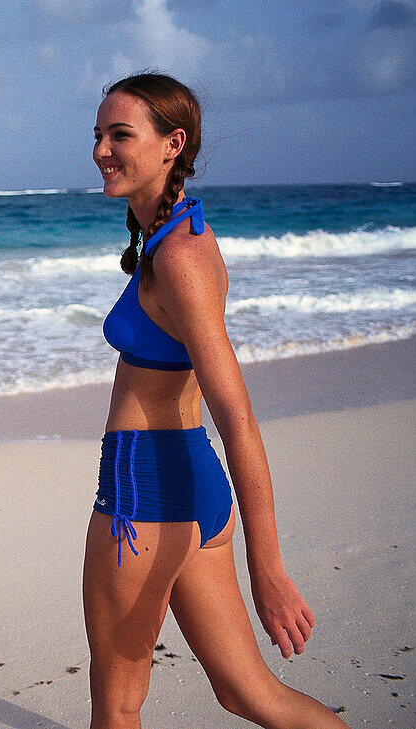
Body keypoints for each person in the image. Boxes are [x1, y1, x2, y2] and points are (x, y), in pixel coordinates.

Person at [83, 73, 349, 729]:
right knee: (248, 694)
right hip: (189, 489)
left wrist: (270, 568)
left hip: (144, 499)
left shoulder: (180, 256)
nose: (102, 151)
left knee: (117, 704)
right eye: (98, 135)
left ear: (173, 144)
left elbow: (238, 416)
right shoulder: (174, 231)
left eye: (121, 134)